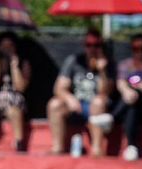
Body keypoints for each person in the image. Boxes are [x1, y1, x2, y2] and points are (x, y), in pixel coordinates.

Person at [48, 29, 116, 157]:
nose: (92, 49)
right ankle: (58, 147)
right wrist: (69, 98)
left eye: (96, 45)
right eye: (89, 45)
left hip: (97, 108)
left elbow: (105, 92)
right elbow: (59, 87)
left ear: (101, 46)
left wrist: (102, 71)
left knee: (98, 101)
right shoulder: (74, 61)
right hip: (76, 105)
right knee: (54, 104)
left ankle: (96, 148)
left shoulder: (109, 64)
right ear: (84, 45)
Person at [115, 32, 142, 162]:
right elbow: (121, 83)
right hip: (132, 106)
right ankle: (131, 146)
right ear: (131, 49)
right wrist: (127, 92)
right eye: (136, 48)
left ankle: (111, 117)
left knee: (136, 97)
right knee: (132, 105)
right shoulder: (125, 65)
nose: (139, 52)